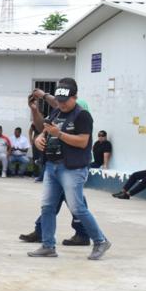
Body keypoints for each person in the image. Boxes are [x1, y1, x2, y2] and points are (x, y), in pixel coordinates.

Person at [27, 79, 110, 260]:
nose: (62, 104)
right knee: (47, 206)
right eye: (59, 101)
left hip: (72, 168)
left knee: (77, 208)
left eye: (65, 101)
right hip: (52, 166)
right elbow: (45, 129)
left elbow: (83, 142)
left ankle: (100, 240)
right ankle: (48, 246)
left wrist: (60, 134)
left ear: (75, 98)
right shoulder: (57, 111)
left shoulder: (82, 115)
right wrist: (39, 137)